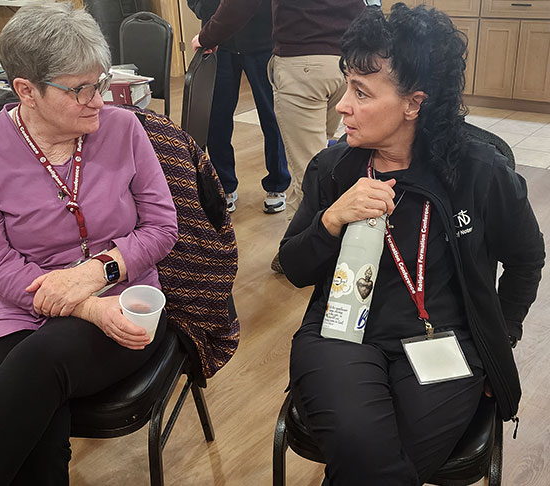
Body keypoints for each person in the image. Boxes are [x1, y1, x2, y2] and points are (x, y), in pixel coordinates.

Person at [279, 4, 544, 485]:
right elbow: (294, 267)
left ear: (413, 104)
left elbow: (527, 259)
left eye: (361, 91)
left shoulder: (478, 171)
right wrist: (332, 219)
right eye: (347, 86)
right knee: (367, 450)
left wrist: (499, 338)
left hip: (445, 339)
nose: (342, 105)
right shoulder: (333, 169)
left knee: (370, 464)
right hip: (341, 332)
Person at [0, 4, 178, 485]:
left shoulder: (123, 128)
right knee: (37, 446)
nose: (98, 99)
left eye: (100, 82)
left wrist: (96, 274)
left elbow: (161, 227)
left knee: (35, 368)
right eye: (80, 89)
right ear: (26, 91)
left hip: (122, 306)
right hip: (15, 312)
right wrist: (83, 305)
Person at [192, 0, 365, 269]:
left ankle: (303, 257)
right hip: (348, 59)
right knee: (320, 161)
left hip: (304, 61)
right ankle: (306, 245)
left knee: (310, 171)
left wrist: (207, 37)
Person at [189, 0, 290, 214]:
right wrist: (207, 13)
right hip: (219, 43)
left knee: (272, 116)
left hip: (262, 42)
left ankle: (277, 183)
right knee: (217, 118)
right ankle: (223, 185)